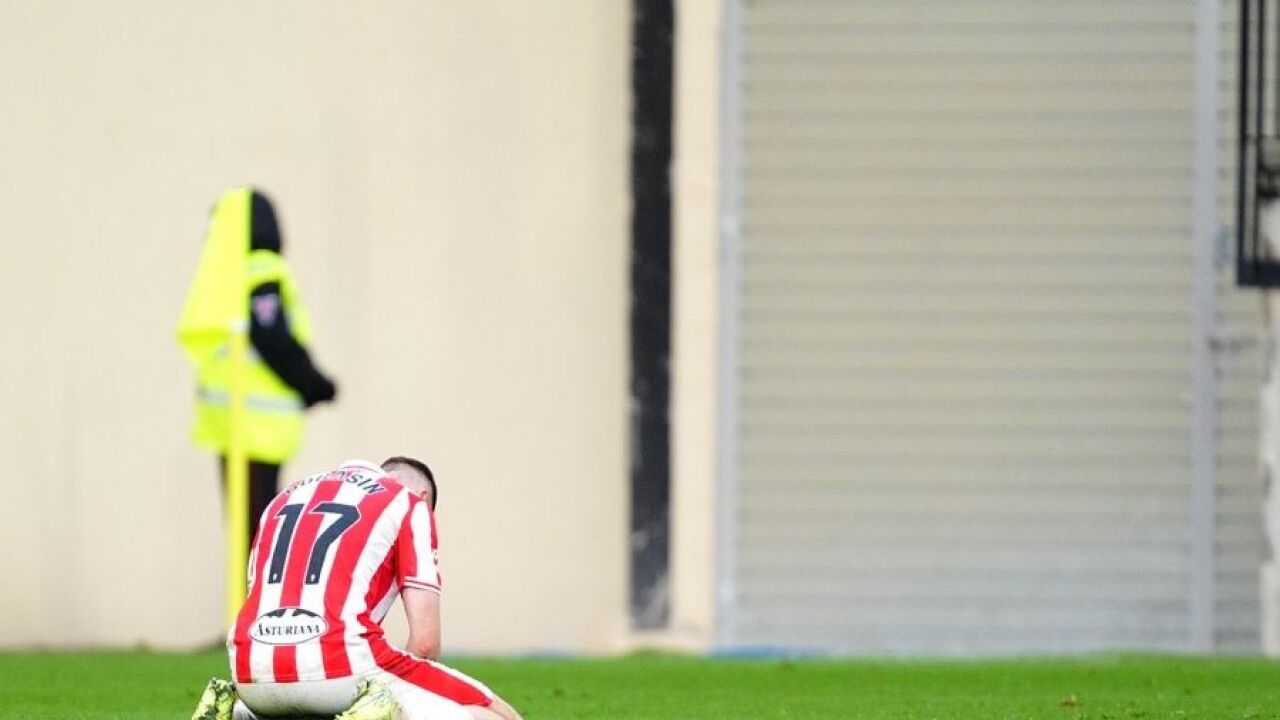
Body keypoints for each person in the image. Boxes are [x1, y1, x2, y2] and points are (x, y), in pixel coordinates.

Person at [191, 457, 522, 720]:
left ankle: (241, 712)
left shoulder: (282, 500)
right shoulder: (409, 503)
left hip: (250, 676)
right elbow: (424, 644)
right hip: (341, 667)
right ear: (424, 497)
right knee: (492, 710)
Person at [187, 189, 338, 549]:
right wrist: (314, 384)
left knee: (248, 533)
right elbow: (272, 338)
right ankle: (257, 588)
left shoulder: (226, 276)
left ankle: (250, 586)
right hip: (256, 427)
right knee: (259, 535)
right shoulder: (261, 270)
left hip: (235, 421)